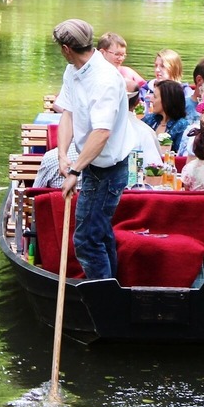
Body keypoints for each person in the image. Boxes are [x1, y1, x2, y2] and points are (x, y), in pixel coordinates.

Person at [52, 18, 135, 280]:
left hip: (110, 169)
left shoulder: (105, 79)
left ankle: (104, 301)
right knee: (99, 232)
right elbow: (68, 112)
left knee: (87, 240)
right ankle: (112, 291)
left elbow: (101, 133)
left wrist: (76, 170)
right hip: (91, 165)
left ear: (66, 49)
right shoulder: (73, 71)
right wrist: (63, 155)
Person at [142, 79, 190, 153]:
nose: (151, 100)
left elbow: (180, 153)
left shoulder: (182, 125)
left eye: (155, 97)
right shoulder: (149, 119)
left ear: (166, 100)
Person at [98, 32, 146, 97]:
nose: (121, 58)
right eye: (117, 54)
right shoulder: (92, 74)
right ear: (102, 53)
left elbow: (146, 89)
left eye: (123, 55)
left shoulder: (126, 72)